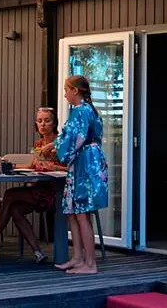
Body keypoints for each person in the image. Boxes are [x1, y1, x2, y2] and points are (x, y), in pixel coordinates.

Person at [41, 75, 108, 275]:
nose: (64, 94)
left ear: (75, 91)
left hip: (84, 164)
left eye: (66, 90)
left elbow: (74, 139)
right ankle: (78, 258)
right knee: (73, 211)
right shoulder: (89, 110)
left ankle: (90, 263)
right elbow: (74, 136)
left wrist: (56, 147)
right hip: (83, 162)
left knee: (81, 213)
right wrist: (55, 144)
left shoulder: (81, 111)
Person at [0, 107, 64, 263]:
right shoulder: (39, 143)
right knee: (16, 209)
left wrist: (52, 167)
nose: (43, 124)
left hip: (55, 192)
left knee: (10, 195)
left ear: (54, 123)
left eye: (47, 120)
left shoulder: (61, 142)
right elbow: (32, 165)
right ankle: (38, 253)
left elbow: (71, 168)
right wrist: (7, 165)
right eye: (39, 121)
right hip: (39, 188)